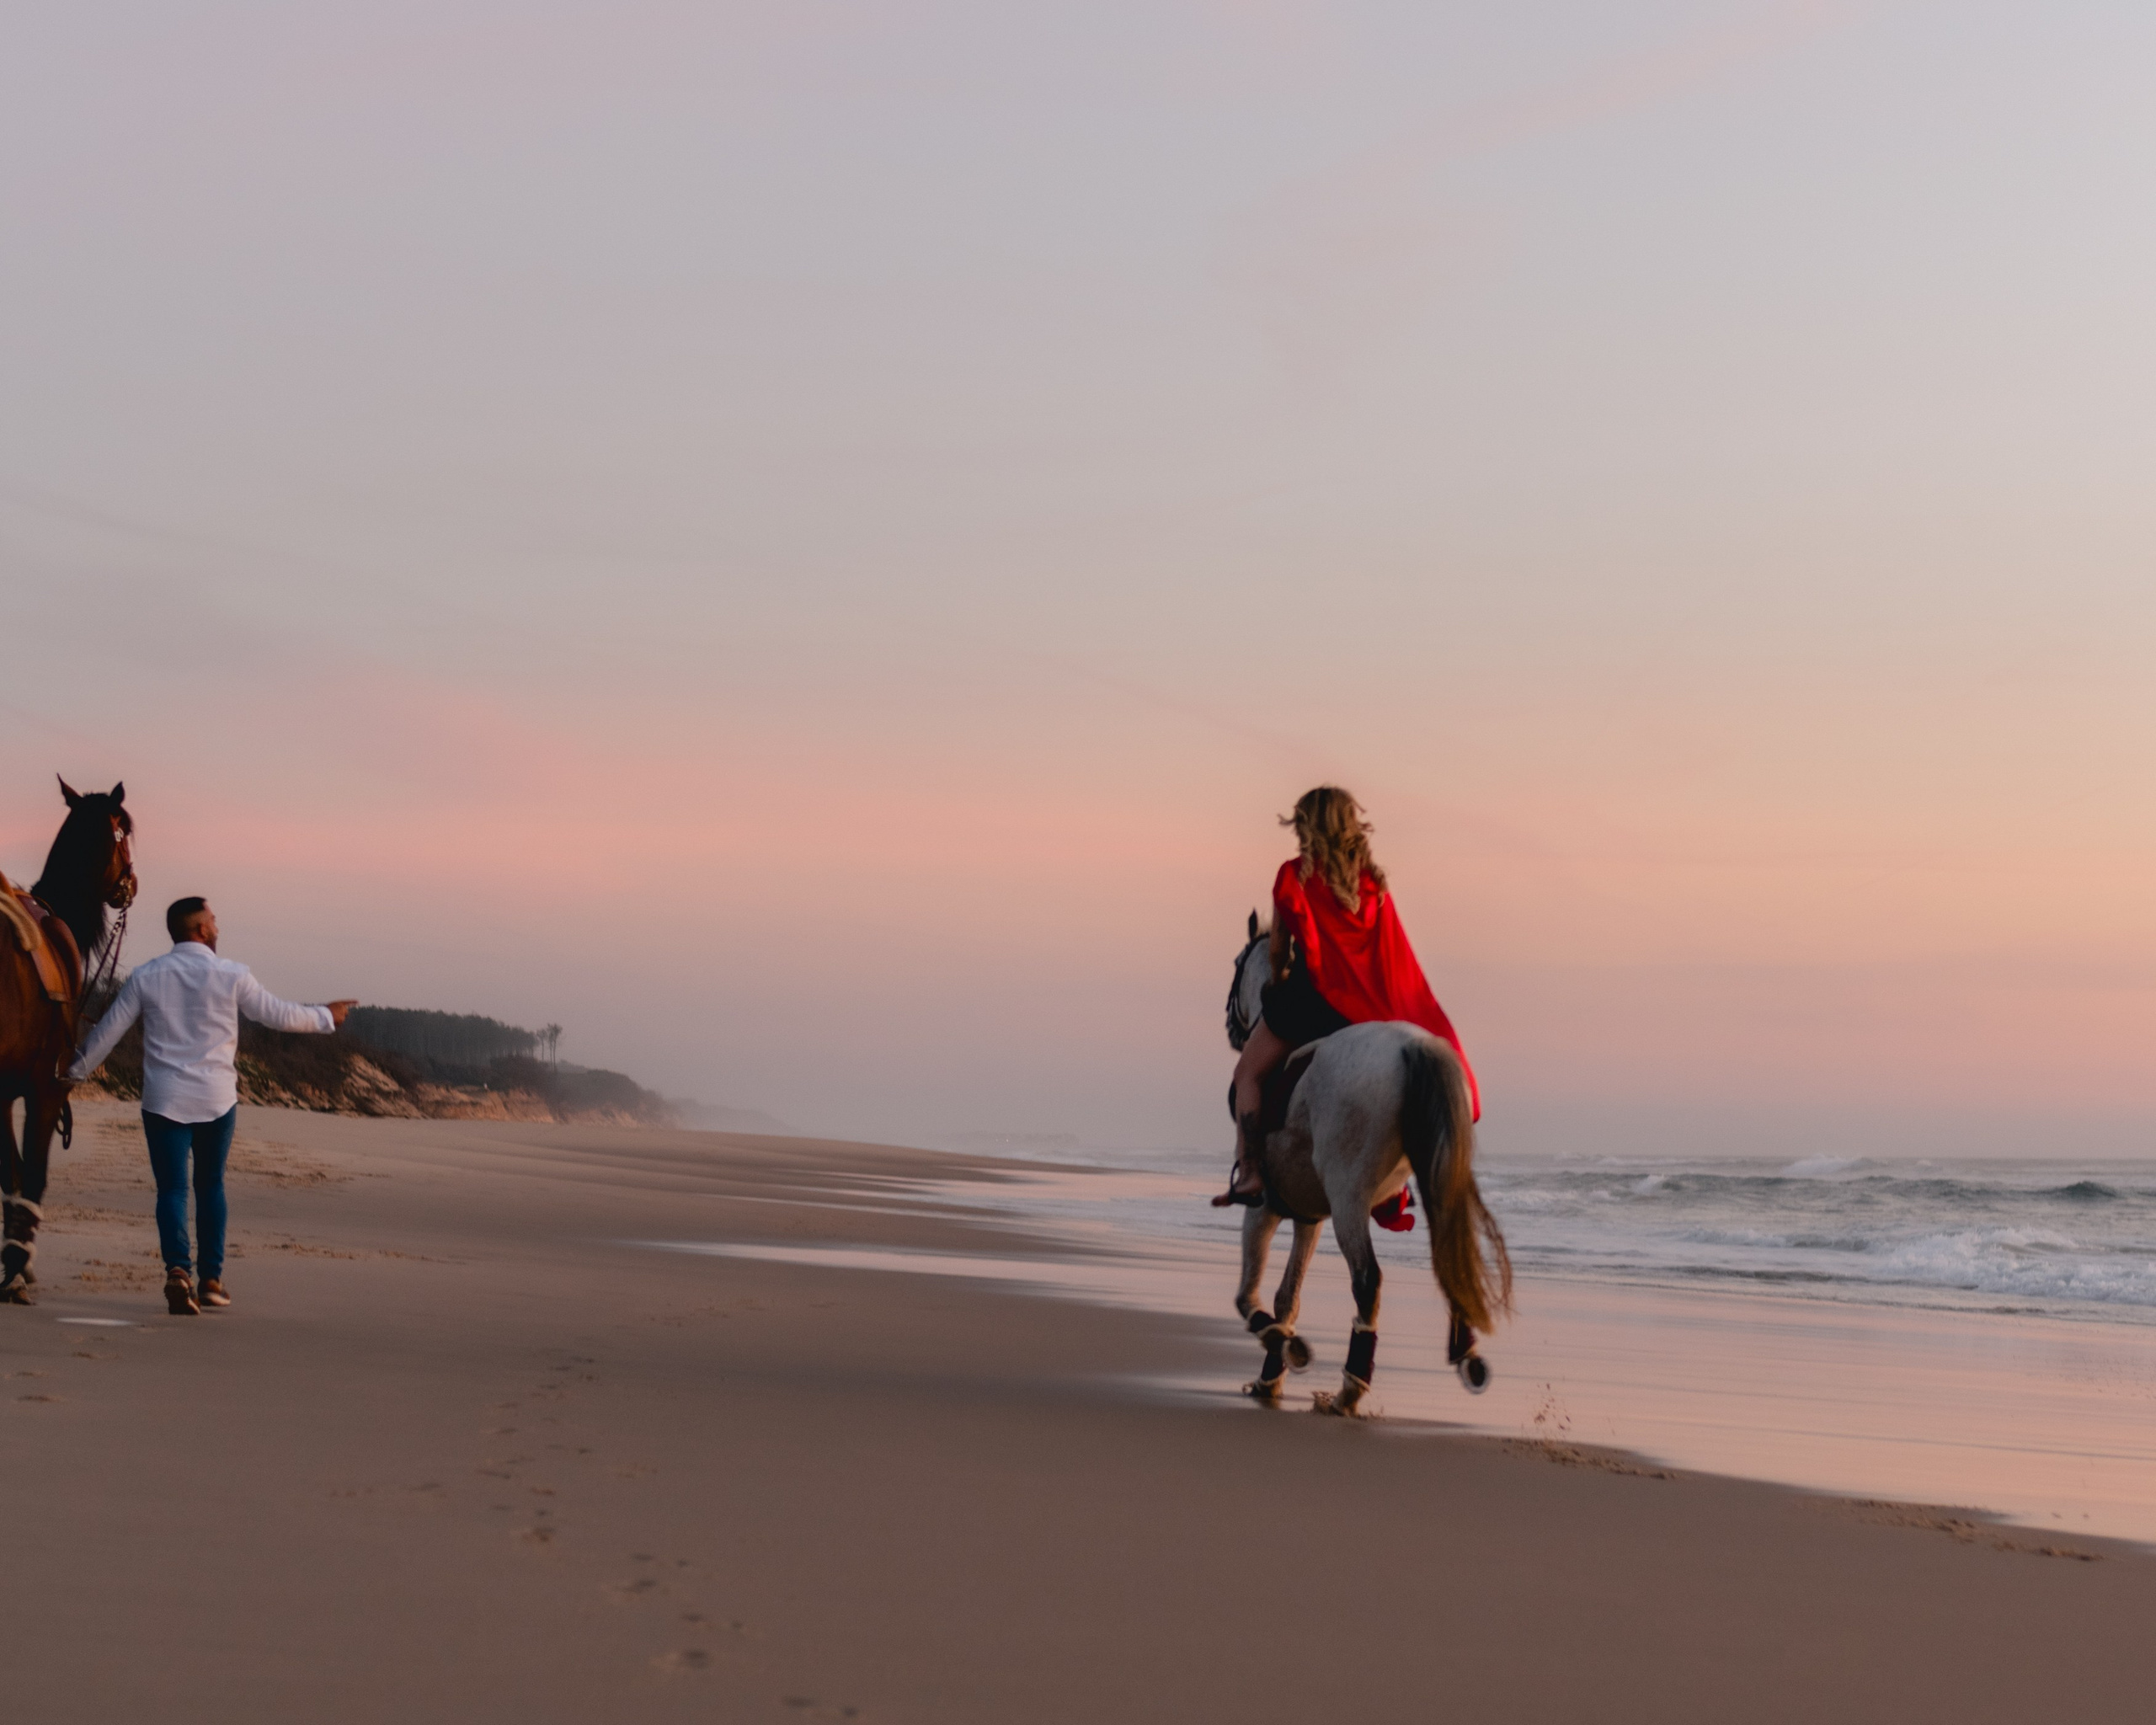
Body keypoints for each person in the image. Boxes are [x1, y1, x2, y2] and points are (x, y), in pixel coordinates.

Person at [68, 897, 355, 1315]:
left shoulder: (147, 976)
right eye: (213, 920)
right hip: (217, 1100)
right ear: (200, 929)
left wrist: (71, 1074)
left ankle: (178, 1271)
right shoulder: (231, 975)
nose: (218, 926)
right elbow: (278, 1015)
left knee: (171, 1189)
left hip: (164, 1099)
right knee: (210, 1186)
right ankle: (211, 1281)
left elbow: (107, 1033)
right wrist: (326, 1017)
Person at [1214, 787, 1479, 1208]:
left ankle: (1248, 1173)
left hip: (1312, 1002)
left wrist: (1278, 978)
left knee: (1248, 1074)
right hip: (1367, 1012)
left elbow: (1278, 950)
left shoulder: (1293, 875)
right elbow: (1390, 954)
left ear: (1305, 827)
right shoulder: (1373, 880)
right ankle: (1392, 1186)